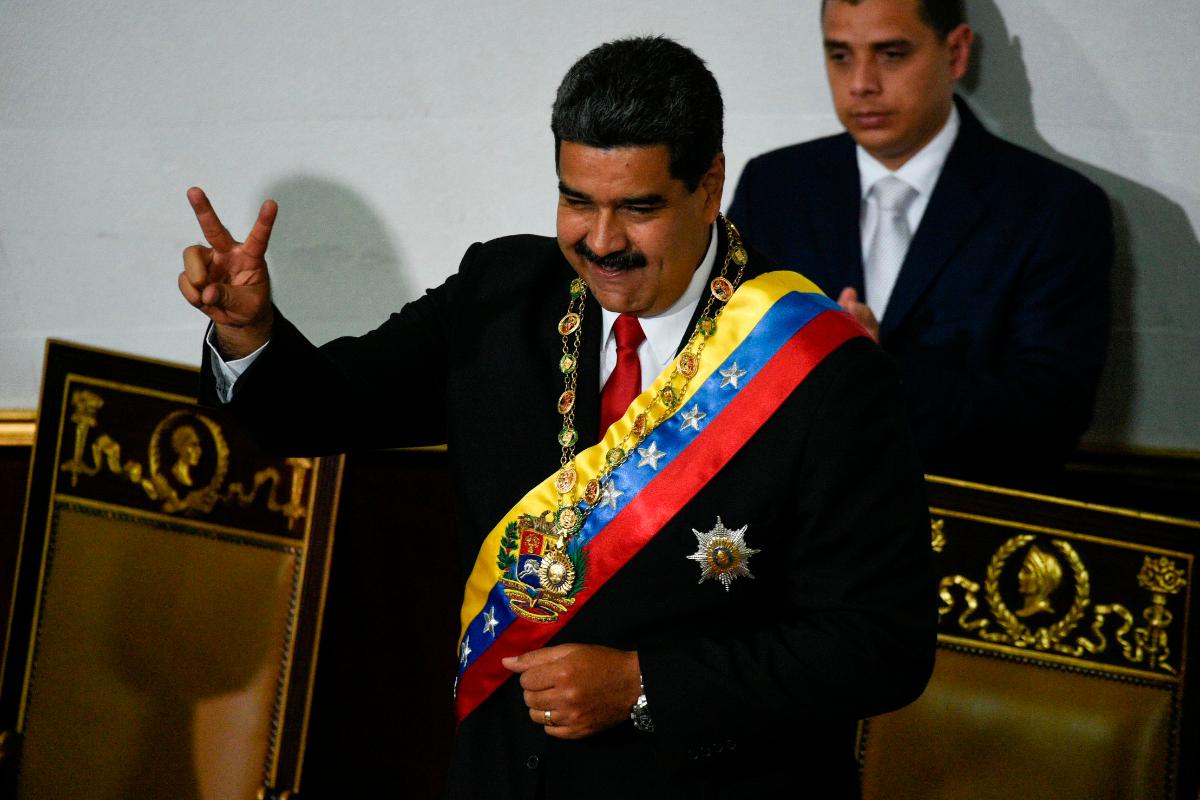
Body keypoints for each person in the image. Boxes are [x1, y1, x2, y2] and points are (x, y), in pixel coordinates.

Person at [179, 36, 933, 799]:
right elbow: (325, 411)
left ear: (709, 188)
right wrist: (249, 334)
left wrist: (645, 687)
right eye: (579, 201)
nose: (602, 242)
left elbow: (883, 644)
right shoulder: (499, 295)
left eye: (639, 208)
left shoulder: (820, 370)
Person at [727, 0, 1114, 489]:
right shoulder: (774, 186)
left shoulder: (1054, 208)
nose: (861, 83)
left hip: (964, 529)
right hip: (789, 525)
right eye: (840, 56)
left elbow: (1047, 421)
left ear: (955, 53)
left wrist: (874, 370)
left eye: (890, 54)